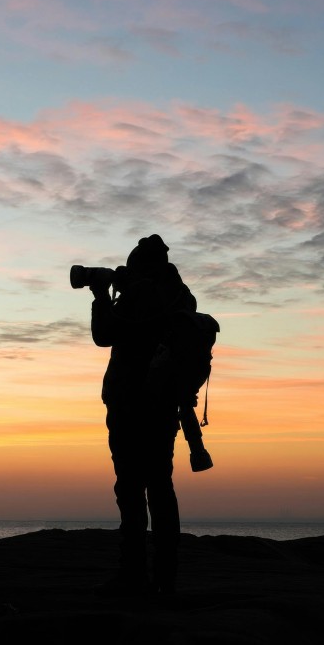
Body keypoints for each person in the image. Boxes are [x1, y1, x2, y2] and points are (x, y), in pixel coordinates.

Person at [88, 234, 191, 596]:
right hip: (163, 407)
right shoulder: (180, 296)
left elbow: (104, 335)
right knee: (161, 487)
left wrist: (102, 294)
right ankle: (166, 577)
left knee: (131, 491)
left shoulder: (142, 296)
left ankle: (133, 575)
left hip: (130, 405)